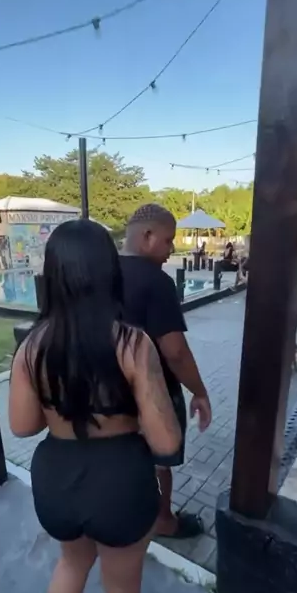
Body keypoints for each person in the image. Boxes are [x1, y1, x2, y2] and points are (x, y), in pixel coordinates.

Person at [9, 219, 181, 593]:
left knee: (70, 566)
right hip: (119, 482)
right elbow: (167, 443)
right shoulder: (132, 343)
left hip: (58, 480)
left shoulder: (32, 347)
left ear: (54, 274)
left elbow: (22, 426)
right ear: (109, 270)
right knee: (120, 586)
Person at [120, 203, 212, 539]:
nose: (171, 248)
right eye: (168, 240)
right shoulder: (156, 282)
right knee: (161, 458)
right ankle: (162, 519)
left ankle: (128, 509)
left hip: (109, 390)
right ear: (147, 236)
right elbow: (174, 351)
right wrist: (199, 391)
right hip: (151, 388)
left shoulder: (101, 272)